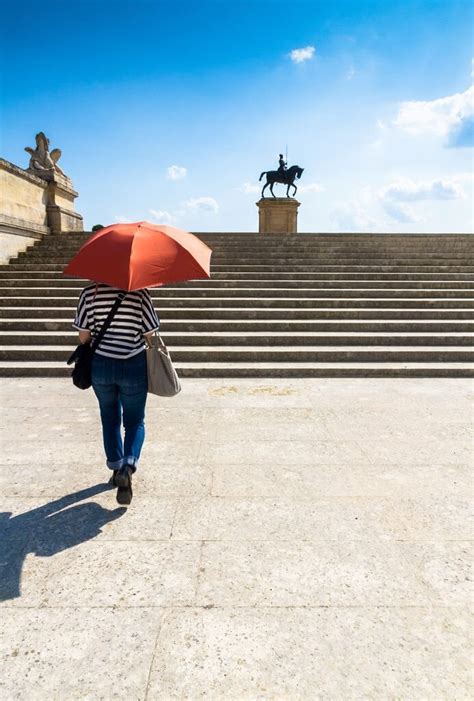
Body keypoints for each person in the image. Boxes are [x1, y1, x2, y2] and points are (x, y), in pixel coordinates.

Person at [72, 282, 160, 505]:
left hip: (101, 365)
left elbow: (83, 337)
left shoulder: (89, 294)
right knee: (135, 421)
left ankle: (115, 468)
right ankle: (127, 468)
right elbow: (150, 332)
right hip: (133, 364)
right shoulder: (139, 294)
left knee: (109, 418)